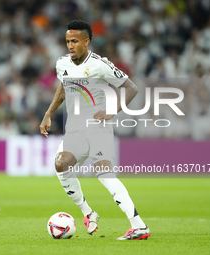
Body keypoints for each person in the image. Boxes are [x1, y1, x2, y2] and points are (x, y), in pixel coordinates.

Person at [39, 20, 150, 240]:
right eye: (68, 41)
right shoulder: (62, 64)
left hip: (98, 127)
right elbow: (63, 89)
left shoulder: (100, 65)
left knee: (104, 174)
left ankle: (139, 226)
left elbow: (131, 89)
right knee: (61, 164)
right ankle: (87, 212)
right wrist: (48, 114)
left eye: (75, 41)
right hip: (75, 130)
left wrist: (111, 111)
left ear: (87, 41)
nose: (70, 45)